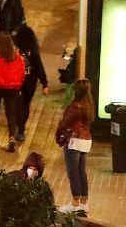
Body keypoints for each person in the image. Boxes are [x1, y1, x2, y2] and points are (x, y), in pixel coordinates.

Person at [56, 79, 94, 216]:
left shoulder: (75, 106)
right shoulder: (88, 106)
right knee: (81, 171)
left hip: (74, 141)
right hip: (86, 141)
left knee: (73, 172)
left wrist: (60, 134)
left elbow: (63, 124)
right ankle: (84, 202)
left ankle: (75, 203)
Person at [0, 31, 26, 152]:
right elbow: (22, 72)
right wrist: (18, 84)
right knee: (10, 113)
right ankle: (11, 137)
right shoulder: (17, 56)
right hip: (12, 88)